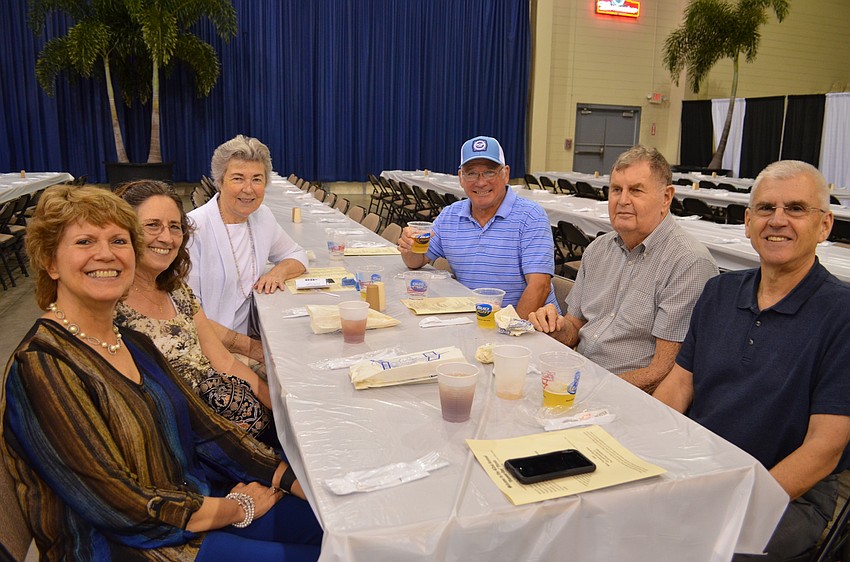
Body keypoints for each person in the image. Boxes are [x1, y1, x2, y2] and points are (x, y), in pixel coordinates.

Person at [1, 185, 322, 560]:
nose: (106, 254)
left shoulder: (132, 342)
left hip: (184, 502)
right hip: (123, 546)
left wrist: (295, 482)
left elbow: (207, 430)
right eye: (85, 241)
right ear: (51, 262)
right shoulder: (42, 366)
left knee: (328, 523)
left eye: (119, 241)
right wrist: (236, 508)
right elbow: (119, 506)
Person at [654, 161, 850, 561]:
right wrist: (642, 451)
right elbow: (678, 386)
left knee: (675, 547)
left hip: (786, 496)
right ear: (747, 221)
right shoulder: (718, 292)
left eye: (795, 208)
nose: (778, 221)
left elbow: (824, 449)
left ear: (825, 225)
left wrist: (736, 501)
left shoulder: (841, 315)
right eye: (766, 209)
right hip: (700, 467)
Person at [529, 146, 718, 392]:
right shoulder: (599, 249)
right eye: (616, 190)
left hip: (630, 396)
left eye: (636, 190)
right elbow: (574, 329)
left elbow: (662, 373)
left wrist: (590, 388)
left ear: (666, 198)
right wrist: (553, 325)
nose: (623, 200)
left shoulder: (688, 264)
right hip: (582, 377)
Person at [115, 180, 278, 448]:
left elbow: (225, 362)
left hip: (247, 430)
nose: (166, 238)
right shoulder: (112, 307)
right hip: (201, 446)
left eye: (174, 227)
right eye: (152, 225)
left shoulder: (175, 289)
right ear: (124, 231)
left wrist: (280, 411)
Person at [398, 135, 558, 318]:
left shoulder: (531, 216)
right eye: (472, 173)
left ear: (505, 173)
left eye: (490, 172)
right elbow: (416, 261)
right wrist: (409, 248)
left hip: (528, 327)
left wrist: (510, 329)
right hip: (478, 319)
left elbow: (540, 286)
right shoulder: (450, 216)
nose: (481, 182)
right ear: (461, 177)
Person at [187, 134, 308, 342]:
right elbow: (189, 314)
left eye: (257, 179)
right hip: (211, 345)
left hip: (253, 332)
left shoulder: (262, 217)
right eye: (238, 178)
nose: (248, 189)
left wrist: (278, 272)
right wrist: (249, 349)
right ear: (220, 182)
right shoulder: (194, 229)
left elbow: (297, 254)